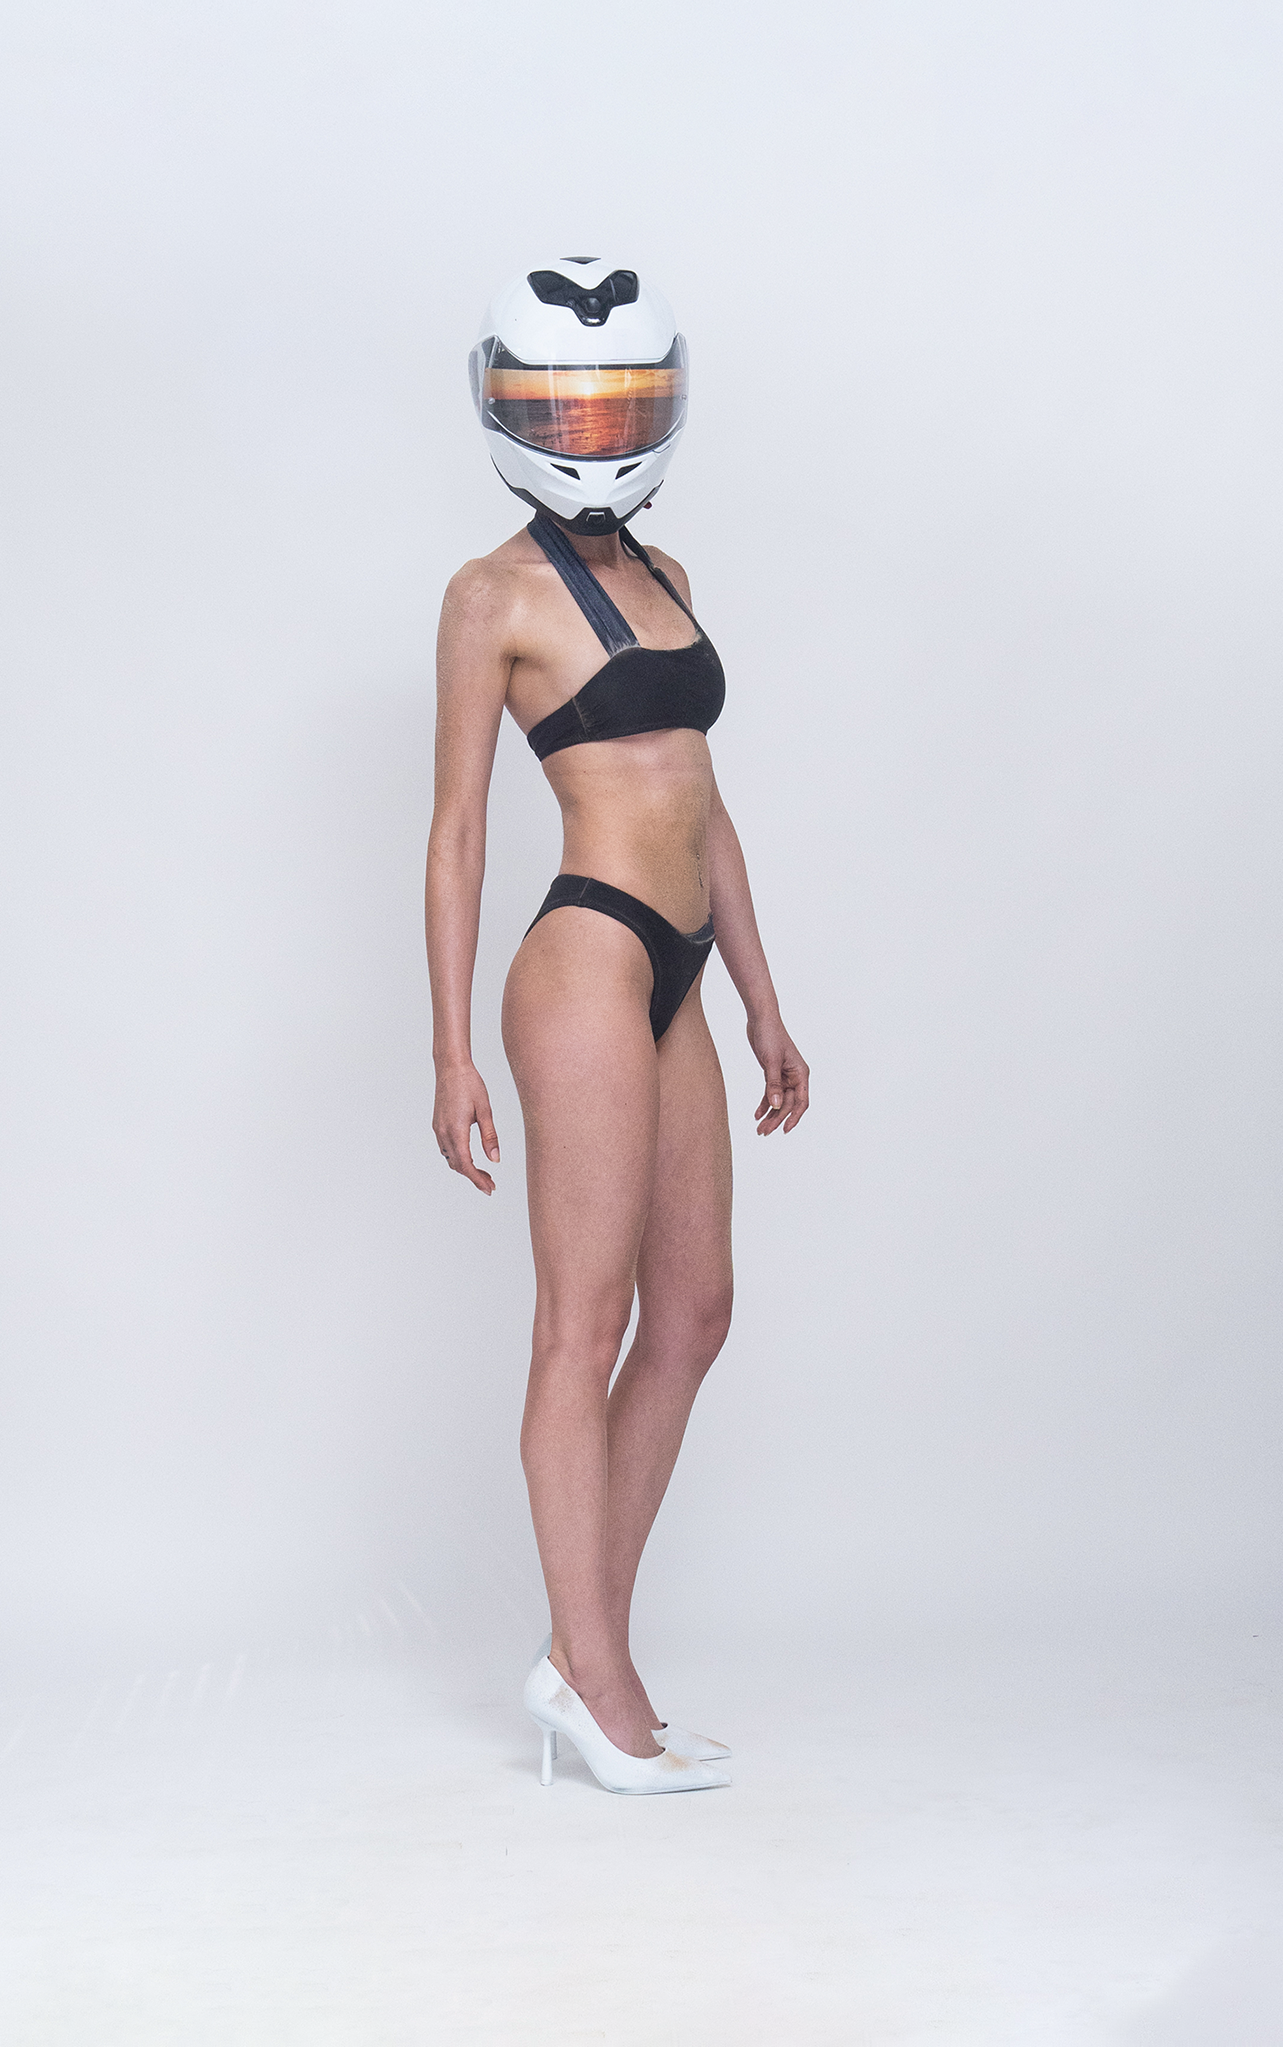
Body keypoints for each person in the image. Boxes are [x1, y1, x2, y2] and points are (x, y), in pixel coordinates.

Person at [426, 259, 809, 1794]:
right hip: (586, 956)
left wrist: (763, 998)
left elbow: (703, 801)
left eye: (616, 406)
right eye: (563, 409)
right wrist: (448, 1049)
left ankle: (575, 1653)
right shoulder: (491, 596)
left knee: (694, 1314)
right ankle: (601, 1687)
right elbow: (459, 830)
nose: (593, 434)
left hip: (683, 971)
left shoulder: (673, 573)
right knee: (580, 1330)